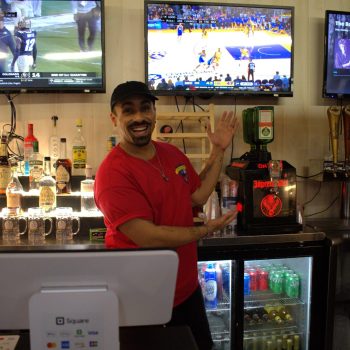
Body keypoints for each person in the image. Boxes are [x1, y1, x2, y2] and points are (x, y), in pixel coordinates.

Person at [94, 81, 237, 350]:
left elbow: (197, 196)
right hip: (140, 300)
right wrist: (206, 230)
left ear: (154, 113)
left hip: (186, 291)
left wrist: (218, 150)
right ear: (114, 118)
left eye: (145, 108)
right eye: (128, 111)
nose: (139, 117)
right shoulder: (112, 173)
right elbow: (149, 237)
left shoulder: (170, 153)